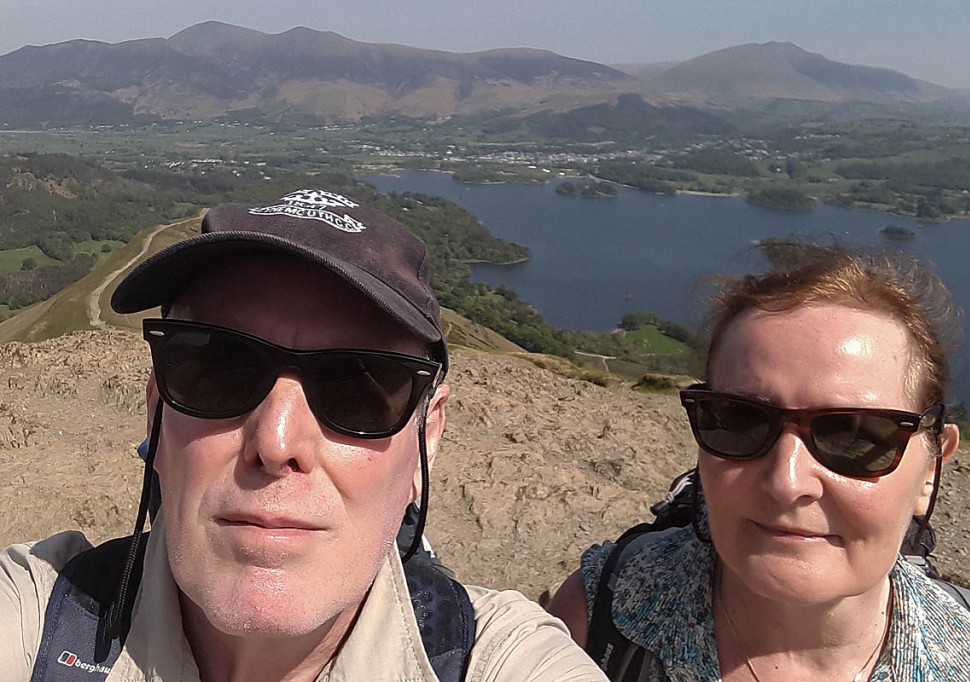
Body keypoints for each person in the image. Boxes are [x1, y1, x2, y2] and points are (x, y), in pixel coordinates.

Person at [1, 189, 608, 681]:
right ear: (157, 412)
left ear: (426, 440)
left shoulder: (500, 661)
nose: (277, 441)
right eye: (217, 368)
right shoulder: (38, 624)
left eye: (360, 386)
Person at [548, 244, 970, 681]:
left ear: (931, 471)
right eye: (738, 420)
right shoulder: (595, 619)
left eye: (855, 434)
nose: (786, 481)